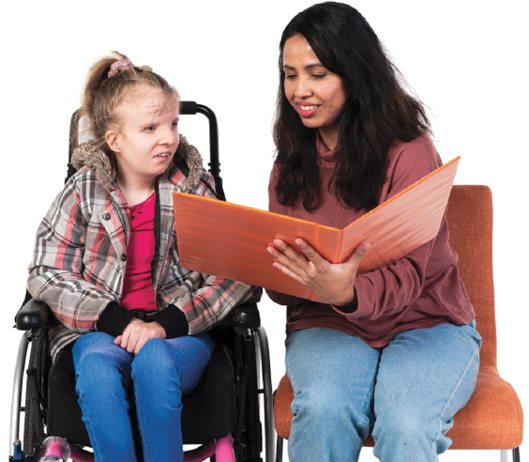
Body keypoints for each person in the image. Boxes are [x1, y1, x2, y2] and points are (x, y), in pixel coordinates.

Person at [266, 3, 481, 461]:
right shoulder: (289, 162)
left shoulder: (411, 152)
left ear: (355, 73)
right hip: (326, 323)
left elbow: (409, 276)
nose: (299, 91)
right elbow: (286, 287)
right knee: (323, 410)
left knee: (405, 424)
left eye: (317, 74)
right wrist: (271, 269)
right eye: (289, 74)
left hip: (427, 321)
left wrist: (346, 291)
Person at [27, 52, 260, 462]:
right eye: (151, 128)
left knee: (153, 358)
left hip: (179, 332)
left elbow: (236, 273)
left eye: (173, 124)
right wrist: (113, 318)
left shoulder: (193, 188)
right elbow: (46, 271)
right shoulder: (84, 190)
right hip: (100, 330)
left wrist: (170, 322)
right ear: (115, 140)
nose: (168, 138)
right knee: (96, 365)